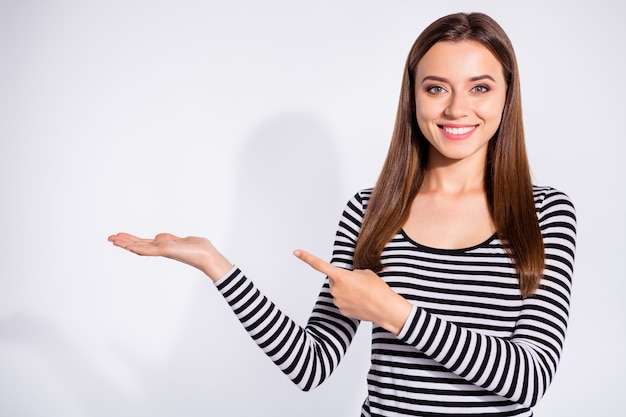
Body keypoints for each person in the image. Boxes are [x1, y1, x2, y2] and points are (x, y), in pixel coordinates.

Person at [108, 12, 576, 416]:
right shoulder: (370, 212)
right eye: (436, 88)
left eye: (480, 87)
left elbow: (529, 378)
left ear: (506, 96)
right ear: (413, 96)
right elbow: (311, 364)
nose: (457, 108)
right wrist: (216, 265)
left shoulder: (546, 213)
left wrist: (394, 312)